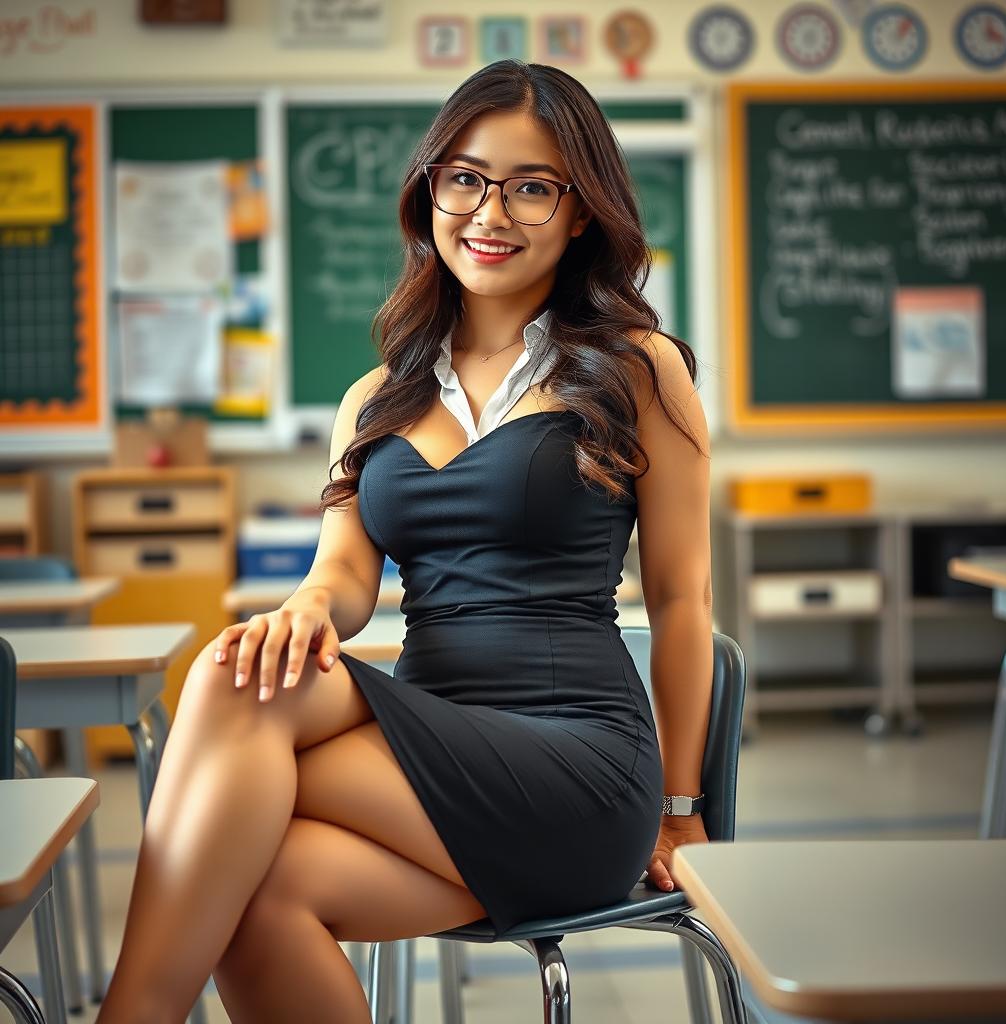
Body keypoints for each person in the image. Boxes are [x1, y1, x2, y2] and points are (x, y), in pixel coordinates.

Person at [97, 59, 713, 1023]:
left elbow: (683, 602)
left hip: (578, 767)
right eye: (464, 178)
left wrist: (683, 810)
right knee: (252, 895)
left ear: (582, 209)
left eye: (532, 187)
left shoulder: (640, 371)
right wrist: (306, 605)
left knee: (230, 704)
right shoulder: (377, 397)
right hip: (428, 752)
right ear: (430, 190)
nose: (489, 213)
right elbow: (342, 573)